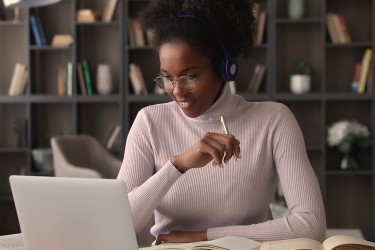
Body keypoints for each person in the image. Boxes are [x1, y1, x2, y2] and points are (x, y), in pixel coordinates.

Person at [117, 0, 326, 245]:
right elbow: (115, 222)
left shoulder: (274, 120)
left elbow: (311, 225)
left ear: (225, 68)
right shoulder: (150, 122)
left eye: (189, 77)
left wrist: (204, 237)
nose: (177, 91)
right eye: (167, 78)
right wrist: (177, 166)